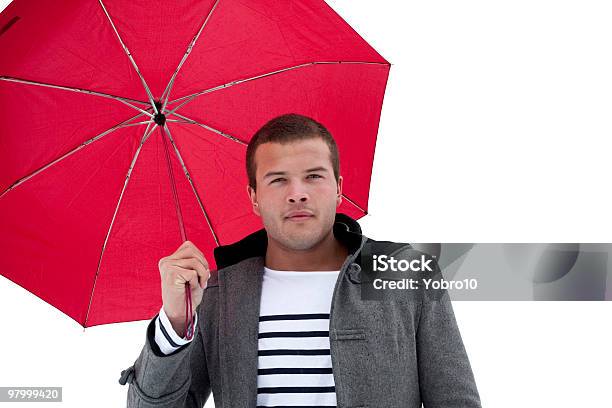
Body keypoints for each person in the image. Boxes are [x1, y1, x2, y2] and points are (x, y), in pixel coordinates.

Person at [120, 113, 482, 407]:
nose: (297, 194)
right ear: (254, 197)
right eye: (278, 180)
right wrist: (175, 322)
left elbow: (456, 400)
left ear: (339, 187)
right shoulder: (217, 293)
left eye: (313, 176)